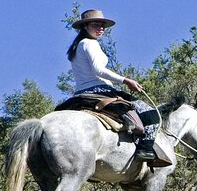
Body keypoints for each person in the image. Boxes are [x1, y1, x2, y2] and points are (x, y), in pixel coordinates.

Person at [66, 9, 158, 162]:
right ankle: (145, 150)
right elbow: (98, 70)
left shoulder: (77, 47)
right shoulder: (90, 43)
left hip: (80, 93)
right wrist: (126, 80)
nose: (101, 28)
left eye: (102, 26)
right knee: (152, 115)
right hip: (100, 90)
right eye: (96, 25)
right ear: (85, 26)